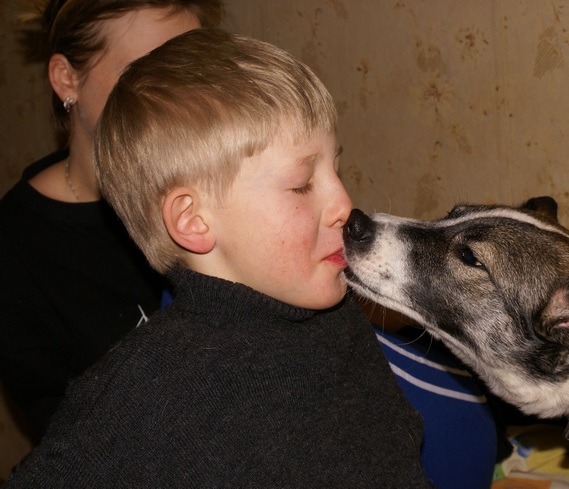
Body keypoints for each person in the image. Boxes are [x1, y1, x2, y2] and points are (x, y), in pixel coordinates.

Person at [3, 29, 432, 487]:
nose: (344, 204)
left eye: (337, 169)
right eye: (301, 185)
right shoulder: (146, 392)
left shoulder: (335, 317)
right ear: (193, 220)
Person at [0, 0, 223, 438]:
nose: (183, 97)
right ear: (67, 79)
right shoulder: (15, 250)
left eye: (194, 70)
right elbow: (73, 444)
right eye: (145, 71)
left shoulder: (231, 184)